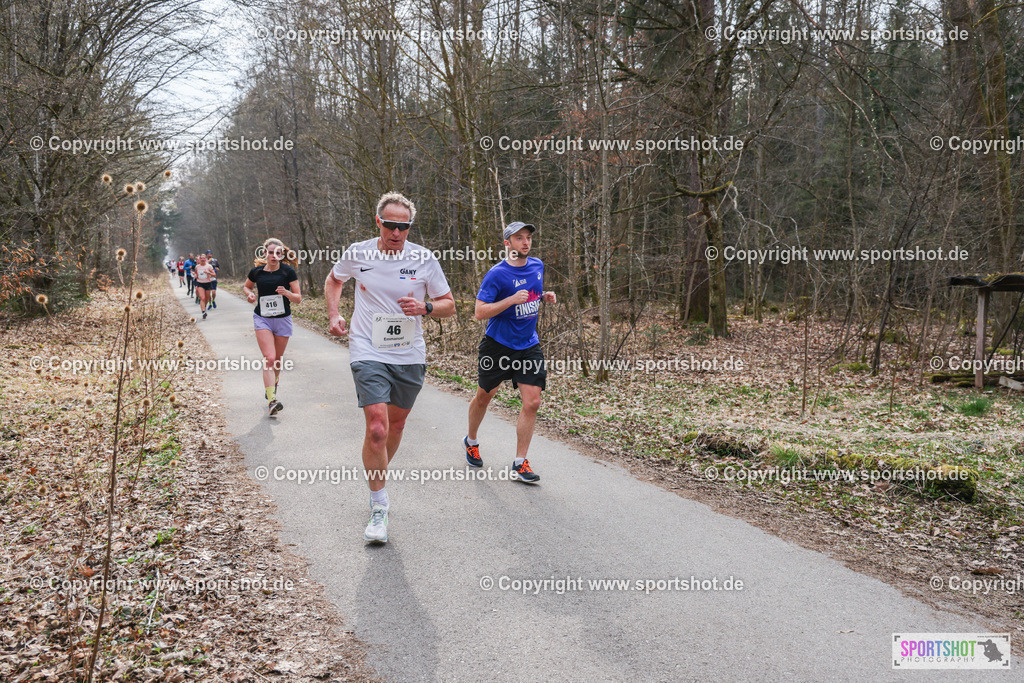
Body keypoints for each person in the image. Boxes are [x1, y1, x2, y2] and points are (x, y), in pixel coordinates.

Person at [324, 192, 455, 543]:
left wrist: (426, 308)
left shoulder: (424, 259)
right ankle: (379, 504)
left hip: (408, 352)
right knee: (378, 428)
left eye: (404, 226)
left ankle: (376, 472)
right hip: (367, 346)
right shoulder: (359, 252)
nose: (397, 232)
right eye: (391, 225)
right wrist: (335, 314)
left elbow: (450, 305)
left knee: (396, 424)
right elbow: (334, 279)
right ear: (378, 222)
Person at [464, 221, 556, 483]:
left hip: (528, 345)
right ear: (507, 243)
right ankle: (471, 440)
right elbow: (480, 312)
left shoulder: (537, 266)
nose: (525, 242)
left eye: (528, 238)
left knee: (533, 402)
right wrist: (510, 300)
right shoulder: (497, 274)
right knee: (485, 395)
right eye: (519, 238)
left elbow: (530, 295)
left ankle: (520, 463)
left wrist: (543, 296)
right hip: (498, 345)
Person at [243, 239, 301, 416]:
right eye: (270, 252)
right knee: (269, 358)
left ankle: (272, 386)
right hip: (263, 319)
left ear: (282, 255)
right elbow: (246, 287)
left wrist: (287, 293)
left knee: (277, 359)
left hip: (283, 319)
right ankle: (272, 401)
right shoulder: (257, 272)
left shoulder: (288, 272)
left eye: (278, 253)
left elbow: (298, 298)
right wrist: (250, 294)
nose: (274, 256)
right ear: (265, 253)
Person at [193, 253, 216, 319]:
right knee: (202, 297)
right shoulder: (197, 266)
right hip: (200, 283)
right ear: (199, 259)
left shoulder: (209, 266)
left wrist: (208, 273)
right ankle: (203, 312)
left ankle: (204, 307)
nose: (202, 259)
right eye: (201, 258)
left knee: (207, 298)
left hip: (208, 283)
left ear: (205, 259)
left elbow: (214, 275)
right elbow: (196, 273)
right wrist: (195, 276)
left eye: (204, 258)